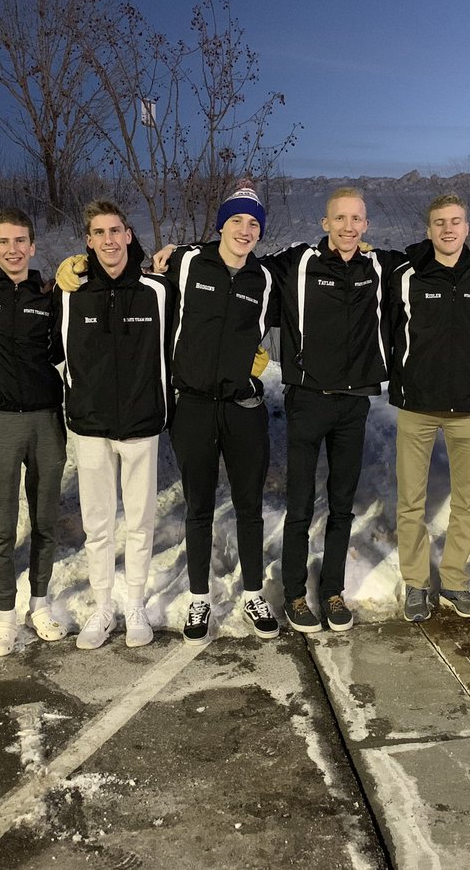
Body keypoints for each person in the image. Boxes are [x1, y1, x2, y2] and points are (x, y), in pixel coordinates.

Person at [262, 187, 395, 633]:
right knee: (299, 505)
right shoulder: (297, 261)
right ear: (325, 223)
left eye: (357, 219)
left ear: (367, 225)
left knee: (342, 505)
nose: (348, 227)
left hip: (353, 404)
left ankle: (332, 591)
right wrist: (166, 253)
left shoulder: (378, 266)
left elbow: (439, 258)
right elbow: (237, 260)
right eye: (340, 219)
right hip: (307, 400)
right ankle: (296, 594)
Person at [158, 182, 279, 642]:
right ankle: (198, 599)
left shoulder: (264, 279)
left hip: (243, 408)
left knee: (250, 506)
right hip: (191, 406)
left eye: (253, 224)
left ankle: (252, 592)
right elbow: (134, 283)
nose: (245, 230)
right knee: (199, 507)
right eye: (237, 221)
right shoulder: (188, 263)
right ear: (221, 225)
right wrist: (78, 266)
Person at [53, 201, 175, 649]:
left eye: (115, 230)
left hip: (141, 422)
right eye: (99, 232)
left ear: (128, 235)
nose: (108, 239)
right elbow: (54, 353)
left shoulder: (157, 292)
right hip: (90, 425)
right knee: (98, 523)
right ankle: (103, 608)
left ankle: (136, 604)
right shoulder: (69, 292)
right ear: (88, 241)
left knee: (141, 521)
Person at [387, 194, 470, 622]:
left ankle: (455, 580)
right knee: (410, 502)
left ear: (467, 227)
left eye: (456, 222)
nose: (448, 230)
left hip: (469, 410)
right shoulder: (406, 277)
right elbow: (389, 333)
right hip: (417, 407)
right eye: (440, 223)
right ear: (429, 229)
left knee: (468, 501)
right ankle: (417, 584)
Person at [0, 209, 68, 656]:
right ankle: (6, 616)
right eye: (4, 242)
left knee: (45, 520)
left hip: (46, 419)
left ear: (33, 245)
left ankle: (39, 605)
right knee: (1, 525)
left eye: (21, 240)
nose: (13, 249)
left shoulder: (52, 292)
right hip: (1, 421)